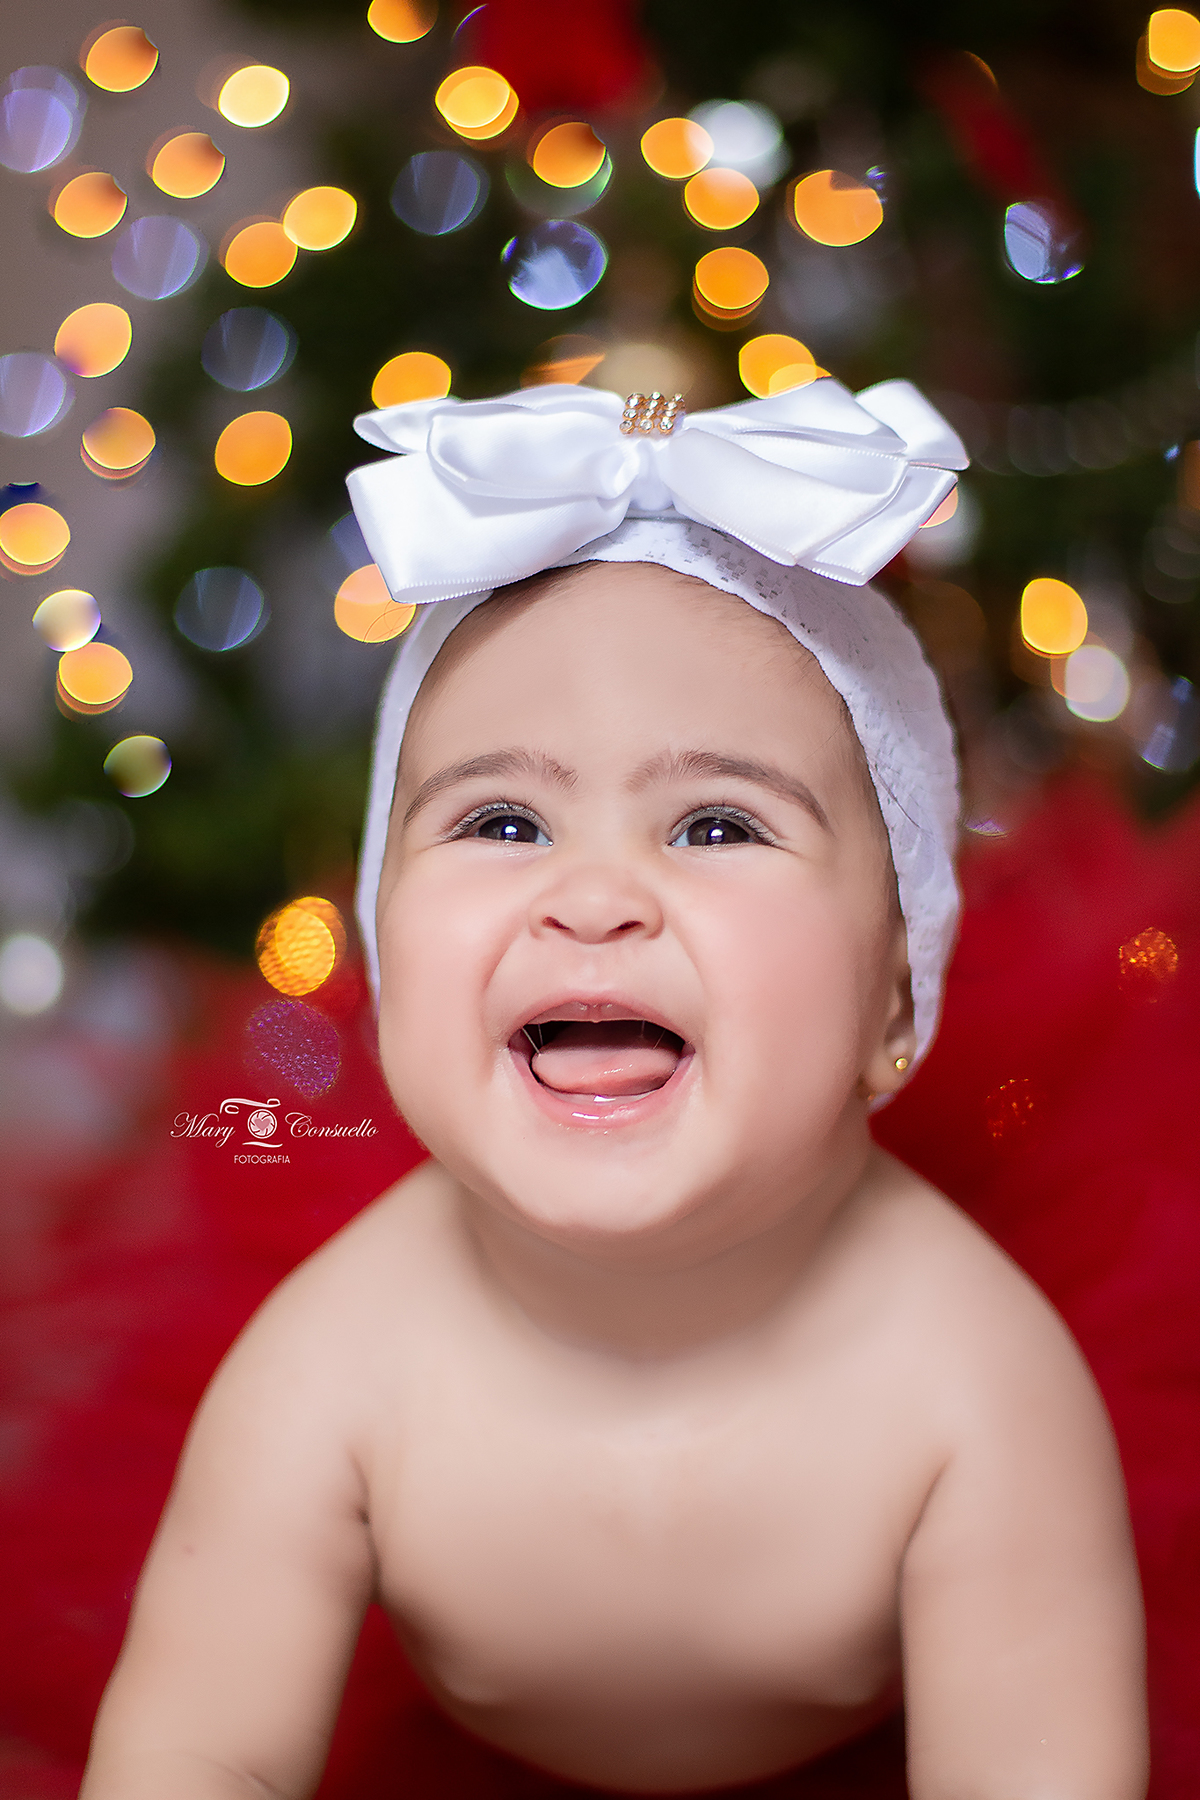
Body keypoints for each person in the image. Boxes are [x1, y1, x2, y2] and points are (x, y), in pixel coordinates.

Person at [81, 381, 1147, 1799]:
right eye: (501, 819)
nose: (593, 898)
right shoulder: (334, 1359)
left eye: (716, 823)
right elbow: (195, 1753)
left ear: (896, 995)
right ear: (389, 957)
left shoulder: (973, 1384)